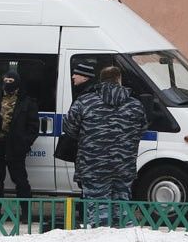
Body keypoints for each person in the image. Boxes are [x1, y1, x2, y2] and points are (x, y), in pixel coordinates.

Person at [63, 66, 147, 227]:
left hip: (92, 165)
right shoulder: (135, 105)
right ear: (119, 80)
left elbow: (69, 128)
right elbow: (142, 130)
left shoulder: (85, 102)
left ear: (101, 81)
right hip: (124, 165)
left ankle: (99, 241)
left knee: (96, 209)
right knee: (122, 207)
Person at [0, 71, 39, 221]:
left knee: (20, 181)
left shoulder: (27, 102)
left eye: (11, 80)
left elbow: (33, 127)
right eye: (5, 80)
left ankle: (26, 214)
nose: (8, 83)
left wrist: (24, 143)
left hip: (16, 146)